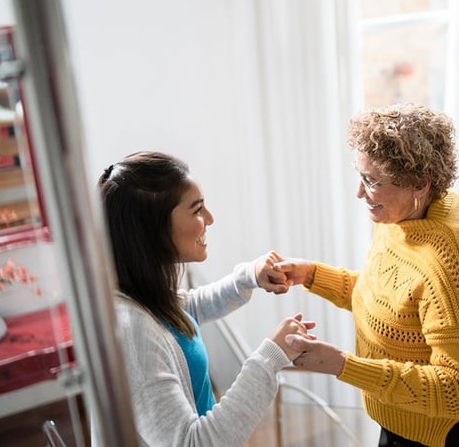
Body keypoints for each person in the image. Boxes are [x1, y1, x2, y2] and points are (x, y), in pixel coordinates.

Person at [260, 103, 459, 447]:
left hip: (445, 435)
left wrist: (342, 365)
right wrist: (312, 275)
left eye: (371, 181)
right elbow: (388, 299)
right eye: (360, 176)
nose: (359, 193)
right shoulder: (403, 217)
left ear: (419, 183)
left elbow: (456, 391)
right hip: (403, 417)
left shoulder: (453, 260)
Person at [98, 150, 315, 447]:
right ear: (154, 228)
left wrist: (250, 275)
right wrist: (270, 357)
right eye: (197, 210)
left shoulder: (144, 298)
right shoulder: (134, 333)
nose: (210, 219)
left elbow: (188, 309)